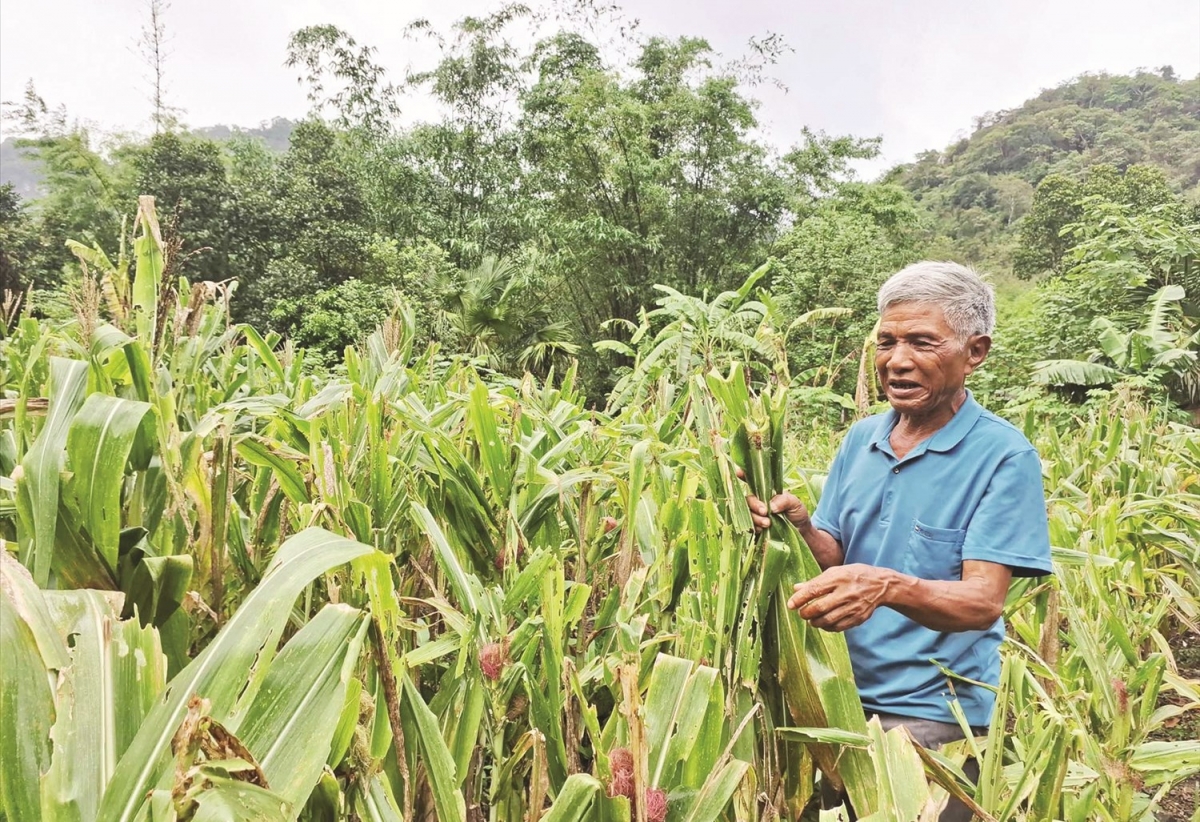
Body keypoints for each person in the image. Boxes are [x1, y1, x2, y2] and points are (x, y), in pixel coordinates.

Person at [745, 261, 1053, 822]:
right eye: (886, 341)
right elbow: (839, 554)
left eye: (921, 341)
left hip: (933, 716)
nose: (897, 359)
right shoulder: (863, 437)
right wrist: (802, 528)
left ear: (974, 352)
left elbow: (983, 603)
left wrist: (885, 585)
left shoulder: (1003, 457)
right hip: (833, 698)